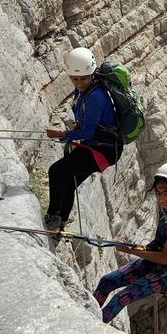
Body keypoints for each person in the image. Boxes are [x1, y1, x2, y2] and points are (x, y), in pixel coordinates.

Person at [94, 163, 167, 323]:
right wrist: (132, 245)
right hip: (156, 262)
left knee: (122, 297)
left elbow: (164, 257)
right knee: (107, 281)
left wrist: (128, 250)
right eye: (158, 193)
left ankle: (93, 327)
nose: (162, 198)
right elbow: (158, 244)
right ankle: (88, 313)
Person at [44, 47, 123, 232]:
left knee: (56, 171)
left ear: (92, 73)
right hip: (100, 146)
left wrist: (64, 135)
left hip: (102, 150)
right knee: (68, 182)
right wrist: (75, 130)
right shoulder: (87, 89)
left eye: (83, 78)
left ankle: (53, 217)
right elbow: (88, 124)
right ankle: (60, 223)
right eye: (75, 78)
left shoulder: (96, 96)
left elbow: (88, 131)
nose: (79, 83)